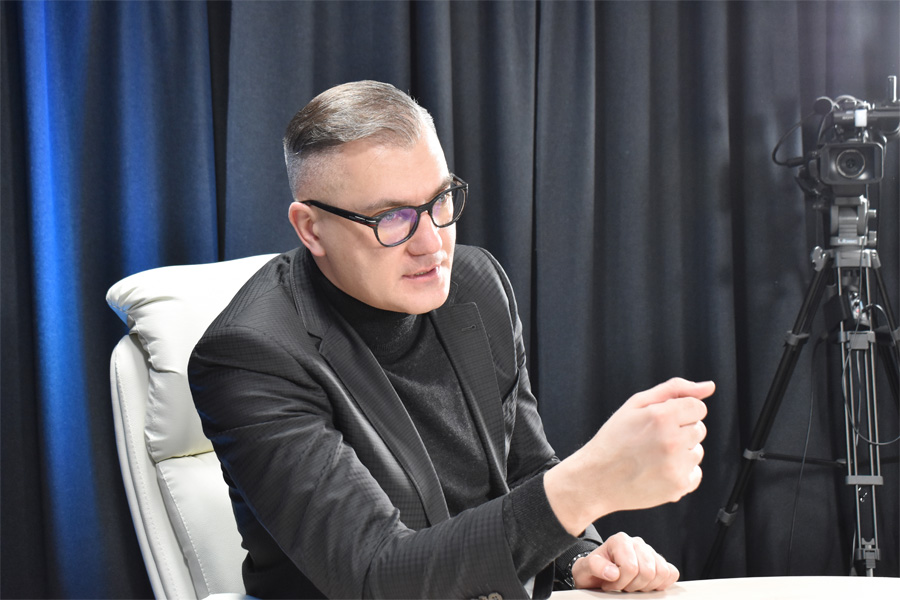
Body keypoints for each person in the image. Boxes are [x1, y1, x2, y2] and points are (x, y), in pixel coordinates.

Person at [188, 80, 715, 600]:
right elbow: (375, 576)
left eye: (440, 200)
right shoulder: (250, 355)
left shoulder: (476, 284)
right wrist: (589, 484)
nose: (432, 243)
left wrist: (579, 558)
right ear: (311, 229)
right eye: (392, 218)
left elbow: (526, 470)